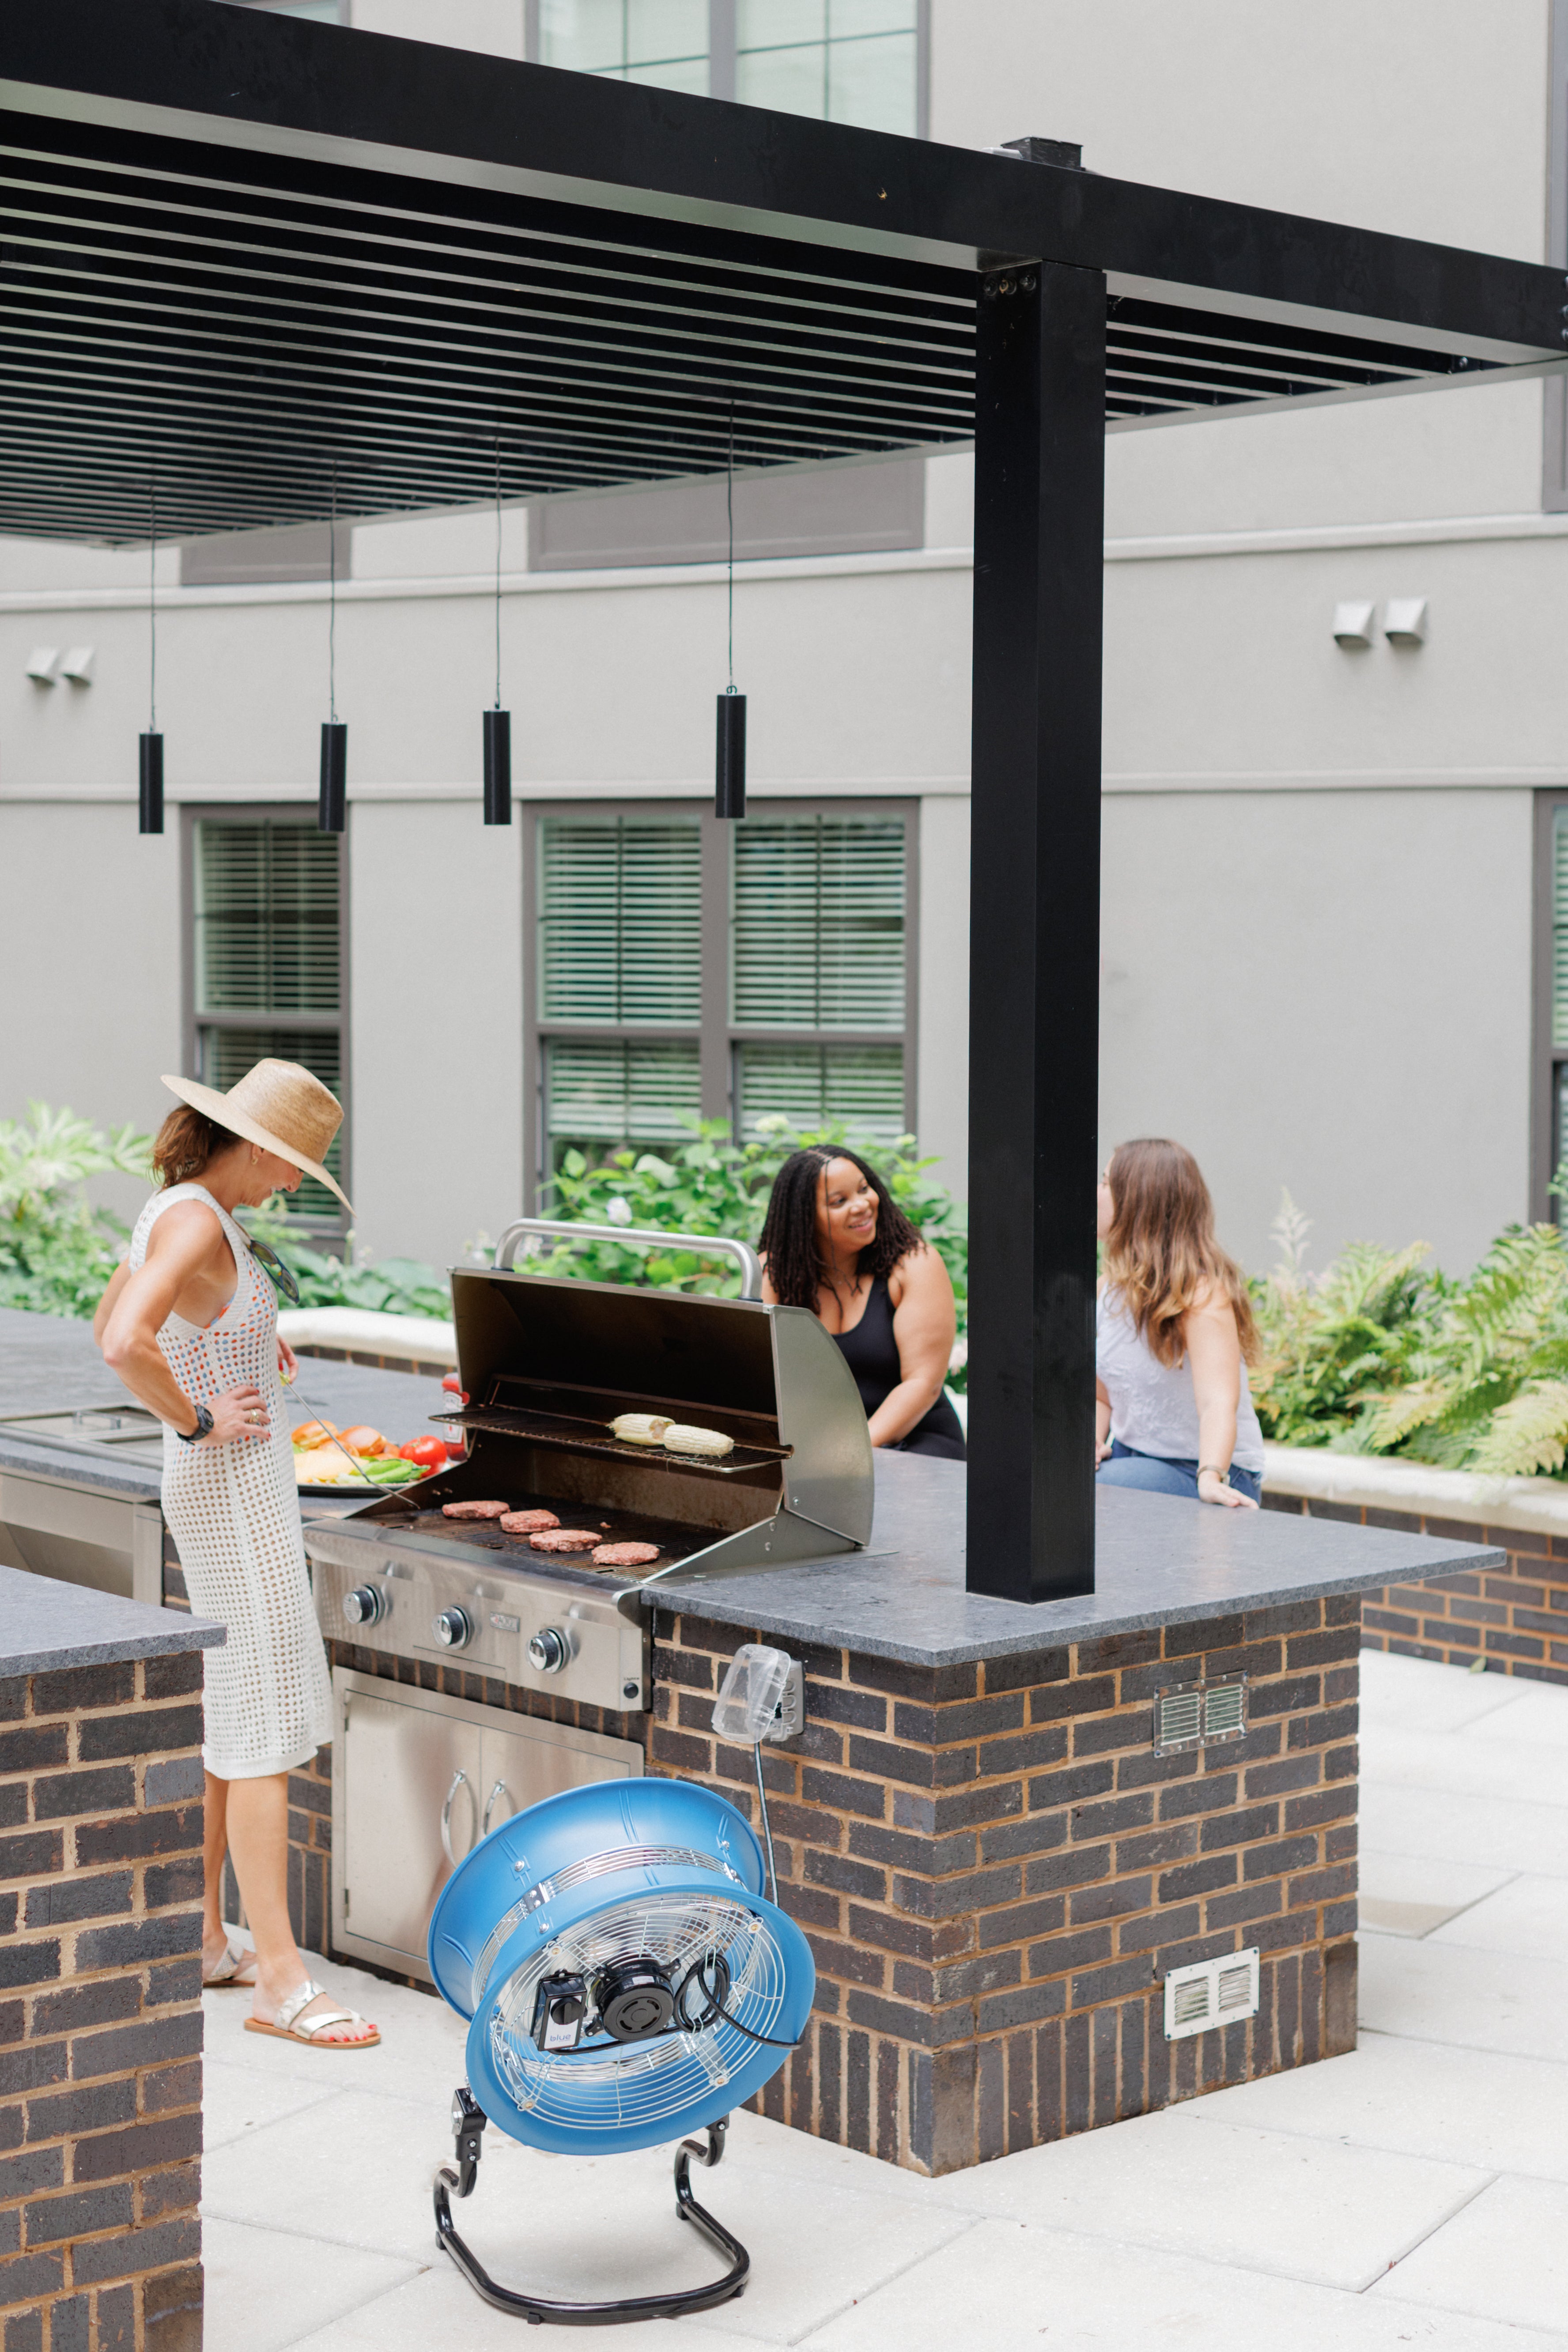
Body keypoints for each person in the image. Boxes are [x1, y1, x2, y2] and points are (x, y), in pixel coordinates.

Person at [94, 1060, 379, 2048]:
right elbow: (122, 1341)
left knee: (234, 1706)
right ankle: (283, 1981)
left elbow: (124, 1321)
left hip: (227, 1491)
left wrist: (241, 1355)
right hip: (234, 1491)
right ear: (254, 1144)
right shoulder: (197, 1220)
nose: (292, 1183)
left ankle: (206, 1937)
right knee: (262, 1721)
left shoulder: (175, 1207)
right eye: (293, 1164)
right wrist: (201, 1415)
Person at [758, 1146, 965, 1460]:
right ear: (803, 1218)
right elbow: (759, 1377)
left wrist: (846, 1457)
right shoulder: (774, 1274)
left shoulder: (914, 1264)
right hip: (816, 1448)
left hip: (916, 1443)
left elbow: (923, 1384)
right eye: (839, 1201)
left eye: (864, 1189)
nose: (862, 1205)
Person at [1094, 1137, 1265, 1509]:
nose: (1094, 1192)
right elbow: (1101, 1394)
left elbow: (1217, 1402)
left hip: (1200, 1471)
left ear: (1139, 1202)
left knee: (1082, 1494)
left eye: (1106, 1184)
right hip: (1129, 1461)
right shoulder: (1107, 1291)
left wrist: (1211, 1475)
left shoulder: (1201, 1297)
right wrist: (1089, 1444)